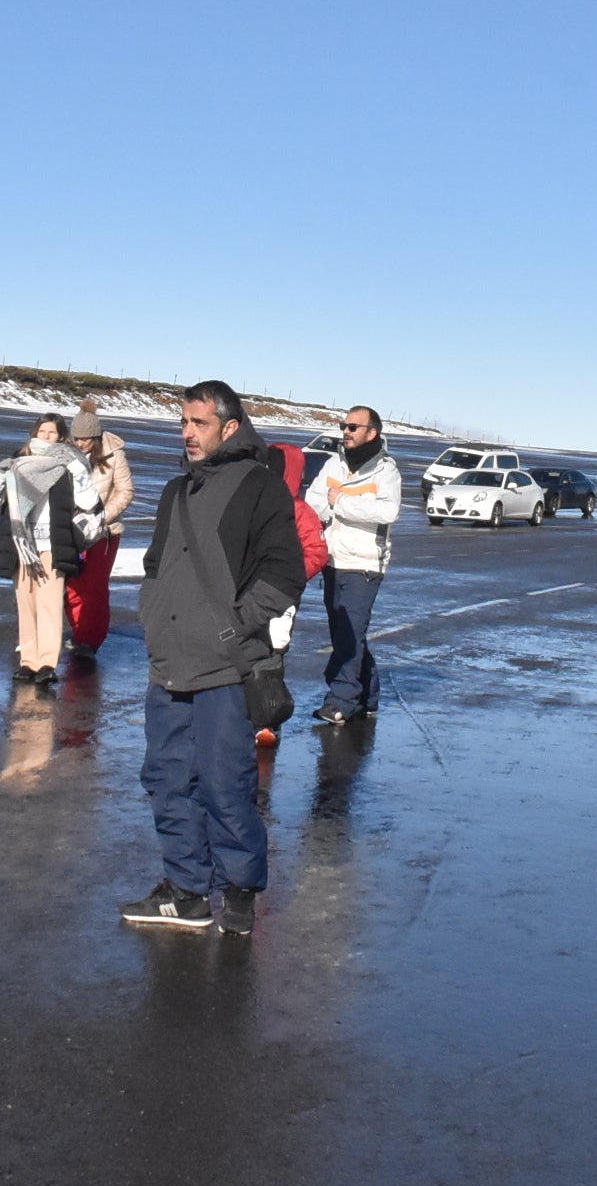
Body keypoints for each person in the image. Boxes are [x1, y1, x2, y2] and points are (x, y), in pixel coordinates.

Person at [121, 380, 304, 937]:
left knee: (226, 782)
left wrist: (235, 627)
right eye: (183, 422)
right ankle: (186, 889)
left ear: (229, 427)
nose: (187, 433)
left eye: (198, 423)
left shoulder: (259, 487)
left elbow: (284, 573)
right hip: (169, 663)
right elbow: (156, 566)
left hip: (225, 666)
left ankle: (242, 892)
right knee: (167, 778)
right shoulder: (176, 490)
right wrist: (152, 616)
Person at [0, 414, 98, 689]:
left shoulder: (67, 464)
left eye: (52, 432)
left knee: (49, 605)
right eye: (43, 431)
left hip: (52, 545)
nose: (47, 436)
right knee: (27, 606)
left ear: (61, 437)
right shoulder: (18, 461)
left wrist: (79, 471)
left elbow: (89, 501)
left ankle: (47, 663)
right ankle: (28, 662)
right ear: (35, 433)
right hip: (23, 547)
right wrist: (1, 475)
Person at [305, 407, 402, 724]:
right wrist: (332, 502)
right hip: (332, 560)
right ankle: (368, 694)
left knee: (350, 634)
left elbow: (388, 512)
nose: (345, 431)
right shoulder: (334, 463)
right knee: (345, 634)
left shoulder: (386, 472)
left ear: (371, 432)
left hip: (364, 565)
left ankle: (341, 701)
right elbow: (313, 501)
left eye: (352, 427)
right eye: (343, 425)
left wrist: (340, 502)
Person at [254, 437, 330, 747]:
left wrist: (290, 579)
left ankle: (267, 717)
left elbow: (317, 552)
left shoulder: (299, 511)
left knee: (272, 651)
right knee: (241, 647)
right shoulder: (253, 503)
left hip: (281, 594)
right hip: (246, 592)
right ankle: (240, 711)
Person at [64, 400, 135, 657]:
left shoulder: (114, 454)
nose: (80, 443)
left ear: (95, 436)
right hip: (73, 533)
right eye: (76, 438)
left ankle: (91, 640)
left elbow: (126, 491)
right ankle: (79, 630)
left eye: (85, 439)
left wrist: (103, 517)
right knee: (71, 587)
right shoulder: (67, 454)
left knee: (94, 588)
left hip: (104, 534)